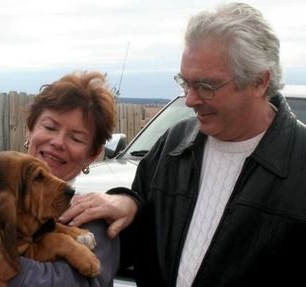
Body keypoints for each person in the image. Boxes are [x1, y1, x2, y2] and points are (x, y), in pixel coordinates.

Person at [59, 3, 306, 286]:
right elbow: (137, 225)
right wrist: (126, 200)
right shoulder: (175, 143)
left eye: (206, 86)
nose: (190, 100)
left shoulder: (300, 166)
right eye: (185, 83)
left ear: (260, 82)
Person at [0, 71, 119, 287]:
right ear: (29, 131)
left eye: (76, 138)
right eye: (50, 127)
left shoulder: (96, 221)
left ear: (91, 155)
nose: (58, 142)